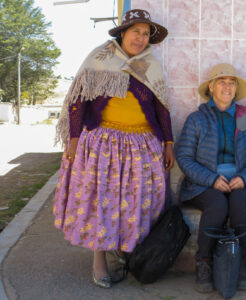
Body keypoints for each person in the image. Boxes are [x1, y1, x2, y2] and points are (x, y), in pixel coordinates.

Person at [53, 9, 174, 288]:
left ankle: (129, 251)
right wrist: (72, 141)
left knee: (138, 201)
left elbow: (162, 106)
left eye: (146, 34)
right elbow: (78, 100)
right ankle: (99, 260)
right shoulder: (99, 58)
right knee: (101, 202)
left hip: (143, 145)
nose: (141, 39)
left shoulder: (150, 64)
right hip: (103, 144)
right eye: (136, 32)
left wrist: (168, 143)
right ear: (123, 32)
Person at [176, 63, 246, 293]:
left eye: (231, 82)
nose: (227, 86)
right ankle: (204, 262)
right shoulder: (197, 119)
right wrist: (211, 179)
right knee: (217, 204)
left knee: (241, 202)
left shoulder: (245, 118)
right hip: (203, 184)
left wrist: (244, 178)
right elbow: (183, 157)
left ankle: (242, 260)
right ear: (211, 88)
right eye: (222, 82)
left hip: (239, 181)